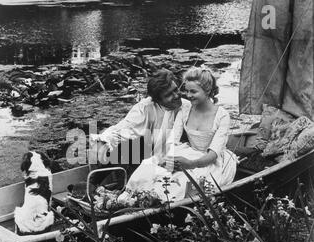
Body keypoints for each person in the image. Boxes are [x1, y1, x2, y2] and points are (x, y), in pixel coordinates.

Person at [117, 67, 238, 204]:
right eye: (186, 91)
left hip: (209, 160)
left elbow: (213, 154)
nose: (188, 95)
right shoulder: (185, 109)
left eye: (193, 91)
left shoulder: (222, 115)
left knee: (181, 178)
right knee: (151, 164)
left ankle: (155, 201)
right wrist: (166, 158)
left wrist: (191, 164)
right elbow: (173, 140)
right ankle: (130, 197)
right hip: (188, 152)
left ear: (208, 90)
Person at [89, 69, 191, 165]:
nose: (177, 95)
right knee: (131, 145)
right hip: (150, 155)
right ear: (157, 100)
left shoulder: (187, 105)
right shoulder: (145, 108)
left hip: (180, 154)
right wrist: (103, 140)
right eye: (169, 95)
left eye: (176, 90)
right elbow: (124, 128)